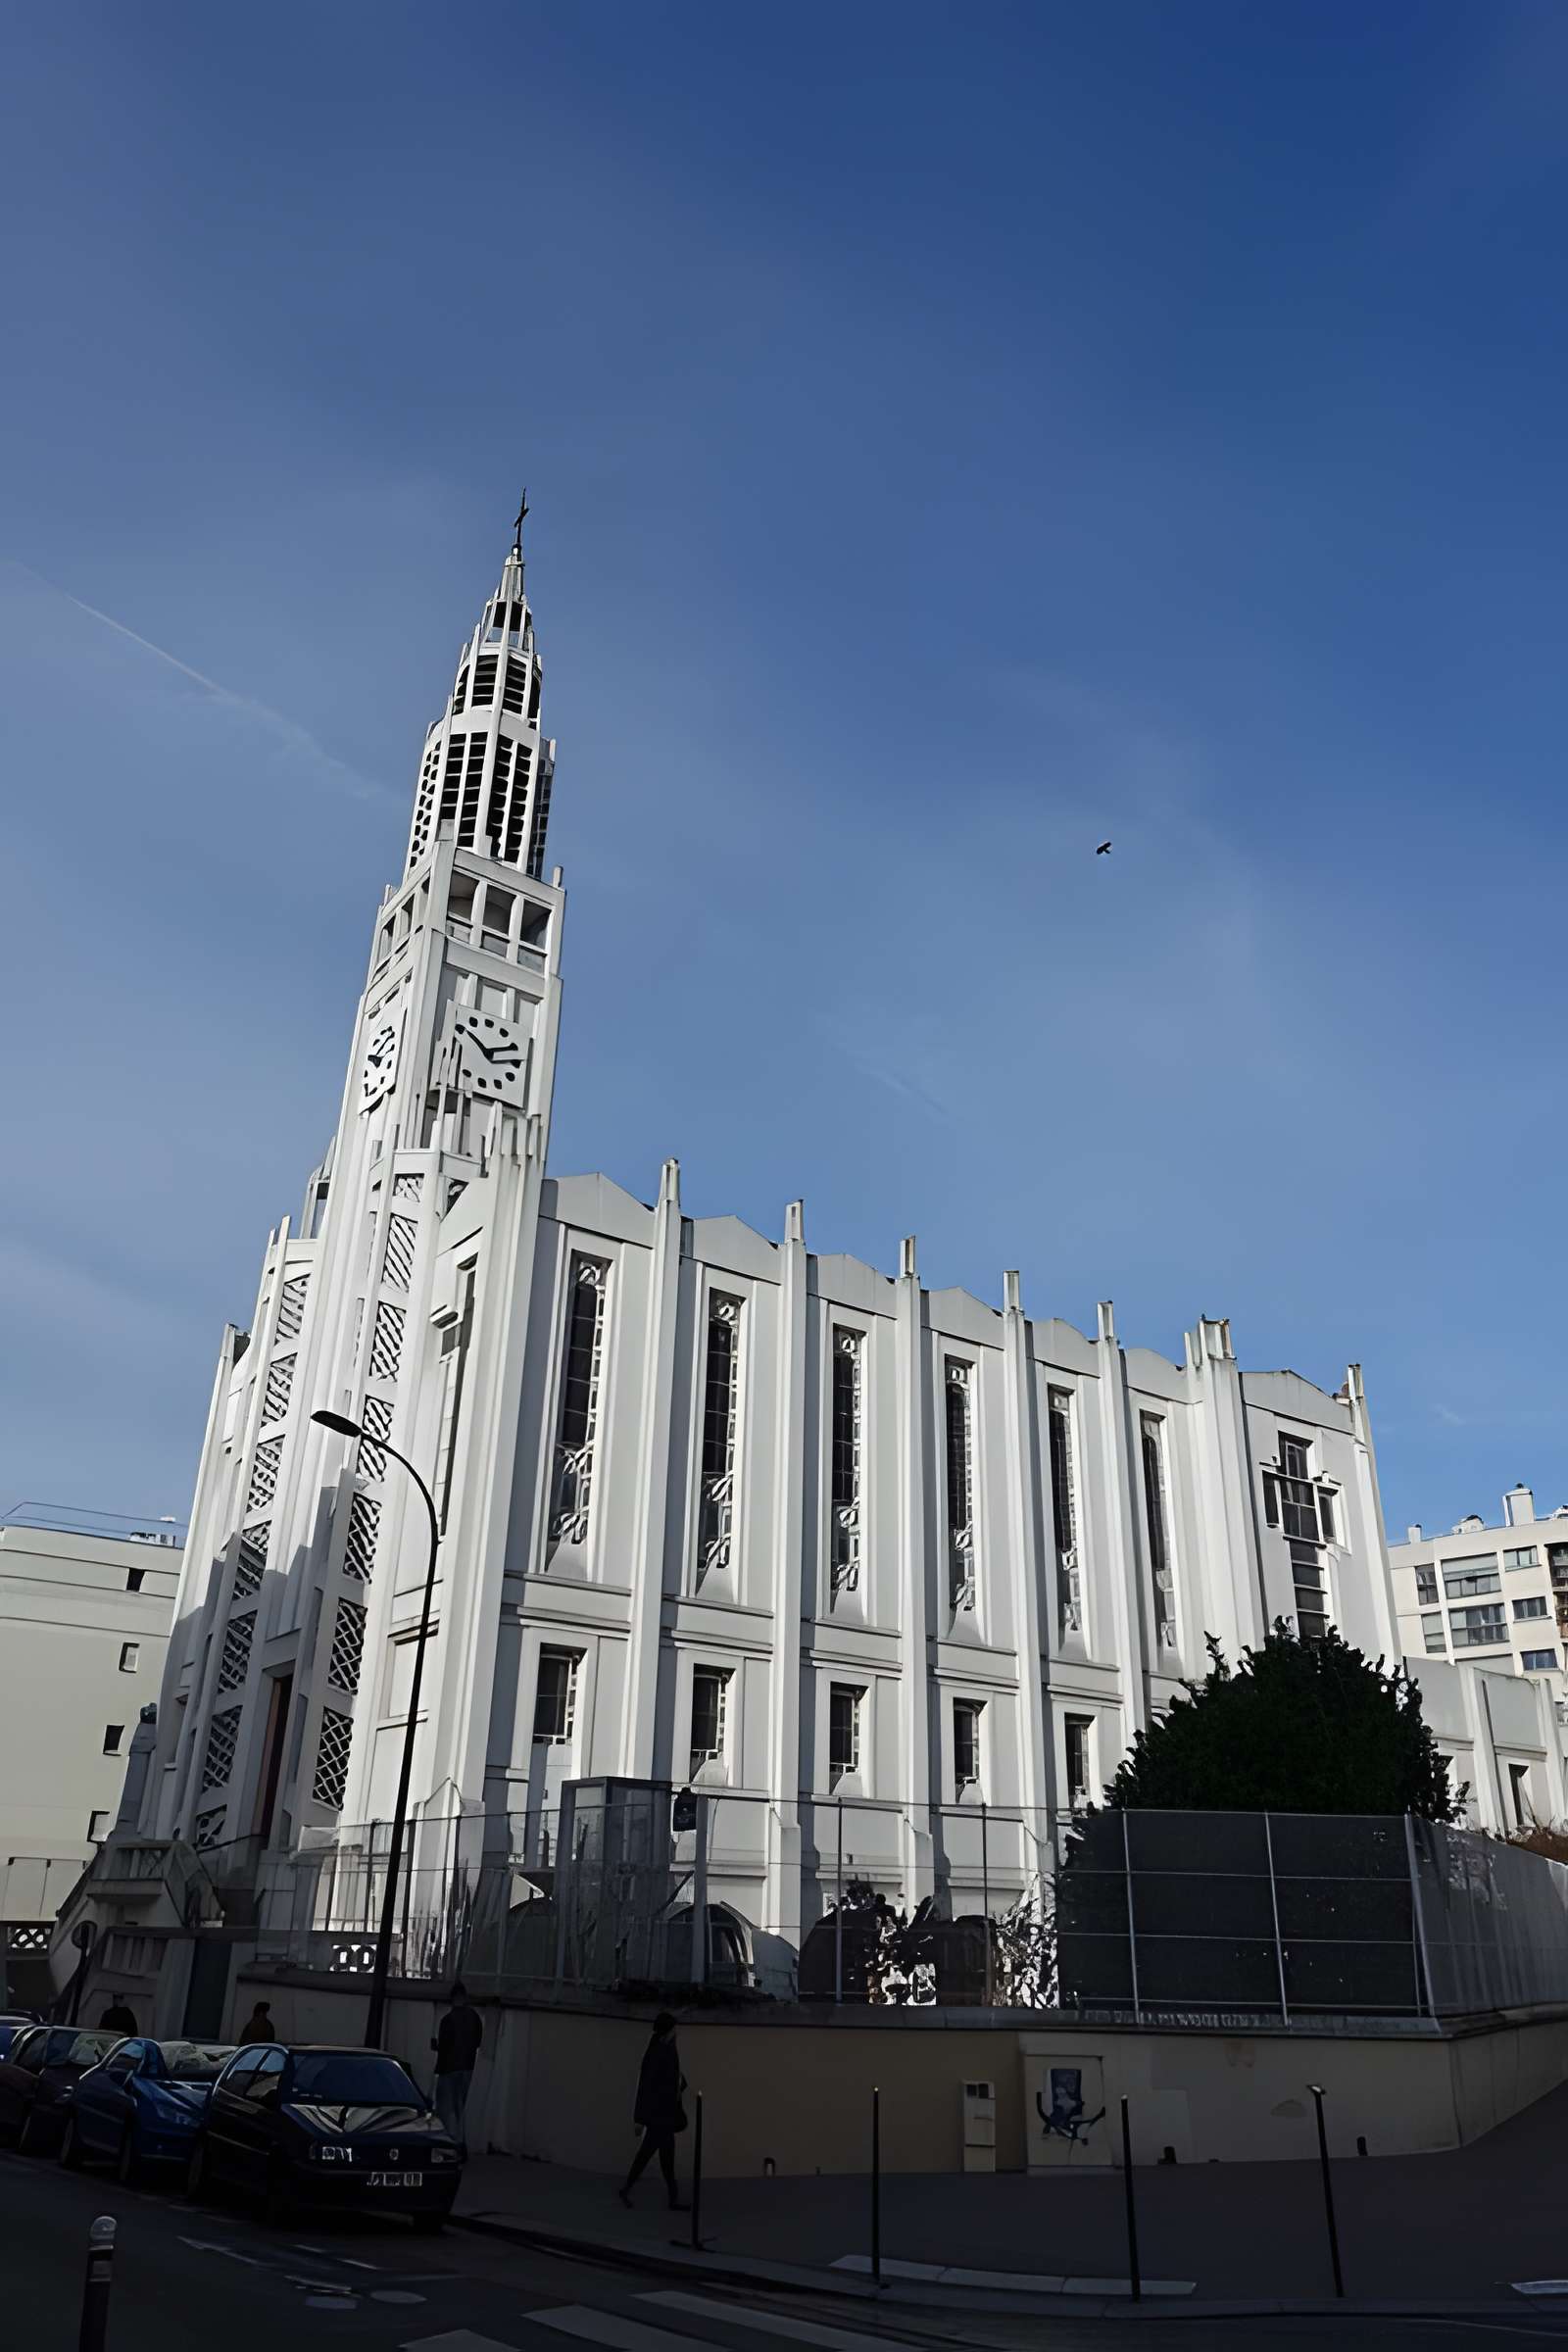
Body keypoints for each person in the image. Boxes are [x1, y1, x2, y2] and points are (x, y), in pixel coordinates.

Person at [617, 2012, 686, 2211]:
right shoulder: (661, 2051)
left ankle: (630, 2190)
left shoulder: (661, 2048)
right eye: (674, 2028)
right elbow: (648, 2086)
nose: (677, 2032)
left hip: (662, 2115)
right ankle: (671, 2199)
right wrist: (639, 2118)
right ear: (669, 2030)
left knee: (653, 2156)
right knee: (661, 2158)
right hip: (661, 2116)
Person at [430, 1983, 482, 2154]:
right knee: (461, 2107)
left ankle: (449, 2144)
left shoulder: (447, 2020)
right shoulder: (474, 2017)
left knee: (447, 2109)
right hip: (468, 2067)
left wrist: (436, 2047)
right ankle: (462, 2143)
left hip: (449, 2069)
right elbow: (477, 2042)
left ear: (452, 1999)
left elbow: (444, 2048)